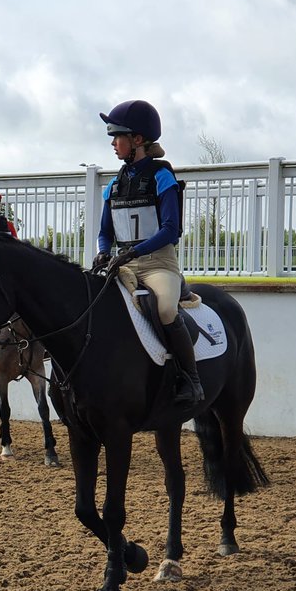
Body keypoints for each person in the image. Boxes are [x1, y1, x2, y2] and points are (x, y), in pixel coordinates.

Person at [92, 99, 202, 405]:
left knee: (165, 309)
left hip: (158, 264)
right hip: (123, 264)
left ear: (137, 140)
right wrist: (103, 251)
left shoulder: (161, 177)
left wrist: (133, 252)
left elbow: (170, 229)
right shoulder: (114, 185)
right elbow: (105, 232)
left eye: (118, 137)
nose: (113, 144)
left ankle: (191, 379)